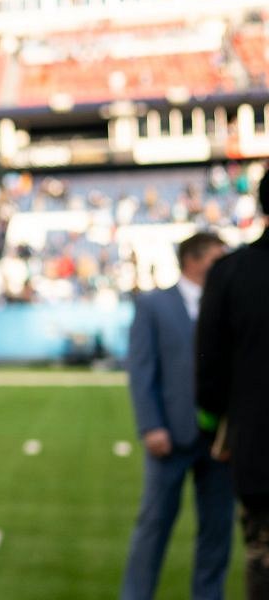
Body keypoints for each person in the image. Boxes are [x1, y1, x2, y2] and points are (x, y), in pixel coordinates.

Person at [122, 232, 233, 600]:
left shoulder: (230, 303)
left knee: (217, 532)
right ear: (194, 260)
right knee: (153, 528)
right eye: (219, 257)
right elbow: (141, 369)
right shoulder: (154, 305)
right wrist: (151, 425)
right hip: (169, 434)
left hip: (219, 440)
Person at [197, 179, 269, 600]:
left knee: (262, 566)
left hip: (259, 453)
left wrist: (214, 429)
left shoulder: (232, 273)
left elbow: (210, 371)